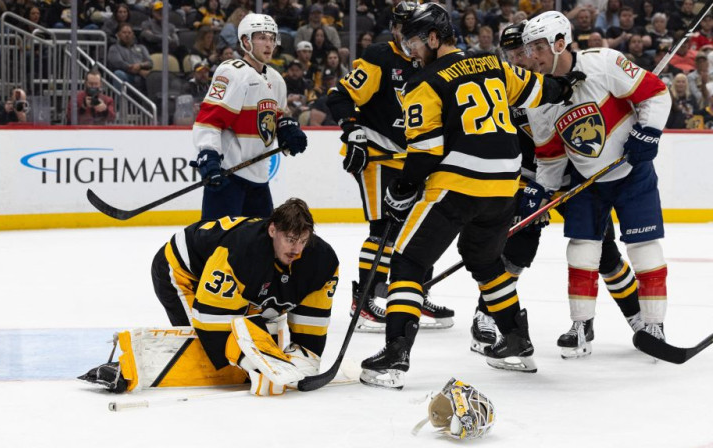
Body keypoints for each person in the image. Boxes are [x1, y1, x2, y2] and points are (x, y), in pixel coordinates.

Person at [359, 3, 585, 389]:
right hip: (502, 189)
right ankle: (517, 343)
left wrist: (400, 190)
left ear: (433, 38)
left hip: (457, 186)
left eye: (413, 41)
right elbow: (540, 89)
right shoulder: (493, 65)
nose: (409, 49)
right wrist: (568, 84)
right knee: (485, 263)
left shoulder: (422, 83)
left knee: (409, 261)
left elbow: (426, 153)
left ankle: (395, 355)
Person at [470, 21, 646, 359]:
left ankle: (639, 318)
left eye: (524, 50)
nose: (520, 58)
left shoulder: (562, 79)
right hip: (525, 178)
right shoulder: (503, 86)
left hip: (573, 177)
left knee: (602, 250)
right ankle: (486, 313)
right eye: (513, 53)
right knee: (516, 246)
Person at [80, 198, 339, 396]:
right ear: (273, 230)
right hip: (182, 272)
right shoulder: (241, 254)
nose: (296, 249)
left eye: (302, 240)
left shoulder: (321, 259)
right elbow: (213, 324)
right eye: (290, 239)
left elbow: (310, 326)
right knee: (202, 344)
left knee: (257, 331)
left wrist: (303, 358)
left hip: (228, 270)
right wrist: (253, 362)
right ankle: (125, 368)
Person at [521, 12, 671, 351]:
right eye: (529, 50)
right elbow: (551, 156)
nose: (532, 57)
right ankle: (580, 326)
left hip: (633, 174)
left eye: (539, 48)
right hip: (586, 180)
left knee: (645, 250)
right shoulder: (539, 97)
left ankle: (654, 327)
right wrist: (543, 191)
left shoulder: (603, 62)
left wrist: (647, 131)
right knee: (582, 250)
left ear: (561, 43)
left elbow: (656, 94)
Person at [326, 2, 453, 333]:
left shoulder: (430, 59)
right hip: (378, 153)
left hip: (416, 157)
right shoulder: (380, 56)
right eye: (402, 26)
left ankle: (413, 292)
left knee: (421, 229)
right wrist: (352, 130)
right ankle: (364, 299)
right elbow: (339, 96)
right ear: (396, 28)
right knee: (383, 229)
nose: (407, 34)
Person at [191, 13, 307, 220]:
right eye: (262, 37)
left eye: (272, 38)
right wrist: (208, 155)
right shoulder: (232, 72)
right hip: (229, 176)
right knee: (218, 244)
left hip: (259, 178)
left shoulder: (276, 79)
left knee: (260, 248)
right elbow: (210, 120)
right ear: (246, 41)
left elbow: (276, 117)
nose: (269, 44)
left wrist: (287, 129)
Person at [107, 23, 153, 92]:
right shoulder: (114, 48)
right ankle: (120, 102)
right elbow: (119, 63)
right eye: (124, 32)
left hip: (141, 77)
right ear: (118, 35)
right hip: (127, 75)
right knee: (118, 73)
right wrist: (139, 71)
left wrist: (140, 65)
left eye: (129, 33)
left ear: (133, 35)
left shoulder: (141, 47)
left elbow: (150, 63)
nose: (127, 35)